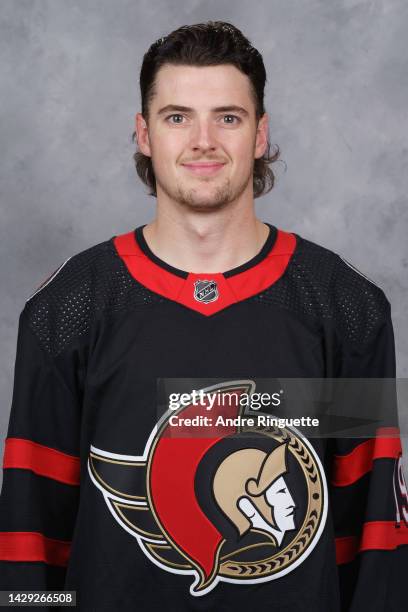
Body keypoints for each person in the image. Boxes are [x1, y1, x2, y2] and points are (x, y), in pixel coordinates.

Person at [0, 20, 407, 612]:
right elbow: (29, 540)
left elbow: (375, 539)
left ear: (261, 134)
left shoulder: (346, 306)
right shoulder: (66, 308)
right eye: (177, 117)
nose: (203, 140)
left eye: (229, 117)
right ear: (143, 133)